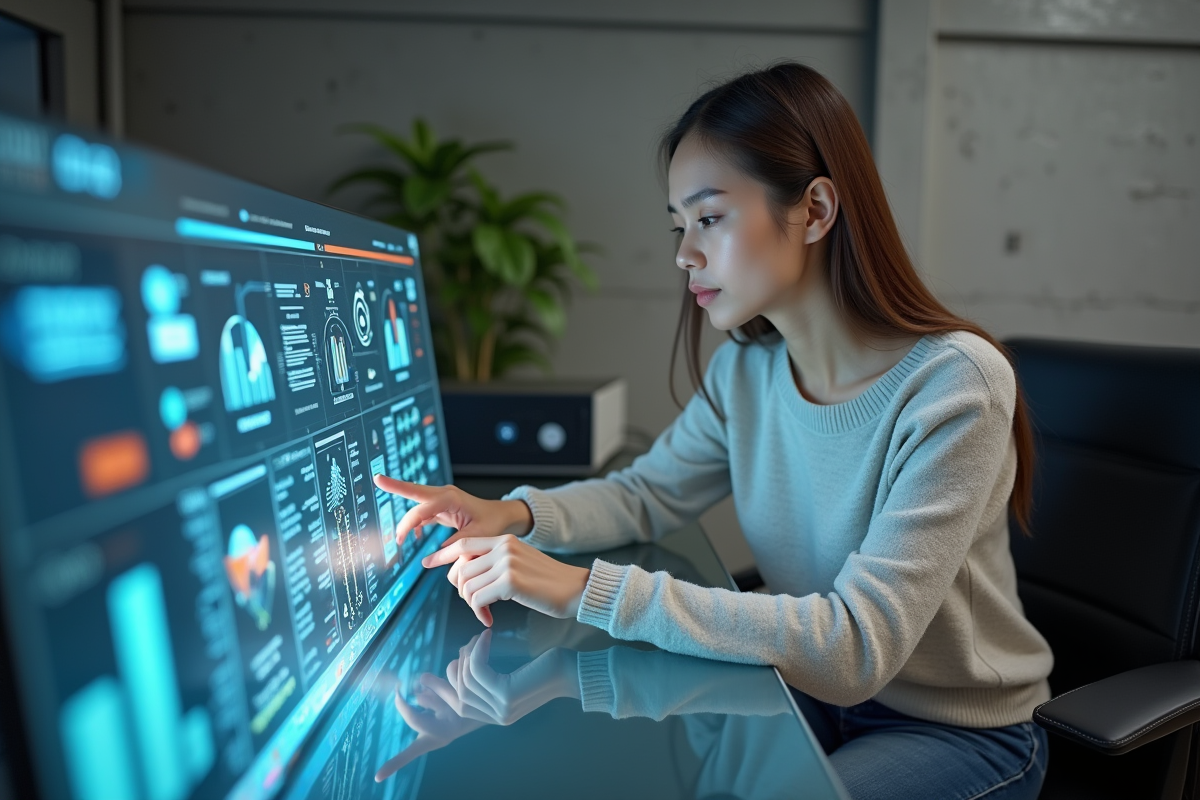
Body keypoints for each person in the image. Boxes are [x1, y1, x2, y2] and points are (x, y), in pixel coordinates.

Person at [375, 62, 1053, 800]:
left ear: (814, 210)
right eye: (679, 226)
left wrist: (581, 589)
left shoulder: (955, 383)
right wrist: (510, 513)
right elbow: (645, 495)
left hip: (957, 729)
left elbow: (857, 647)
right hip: (807, 693)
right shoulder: (747, 373)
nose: (683, 254)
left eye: (710, 218)